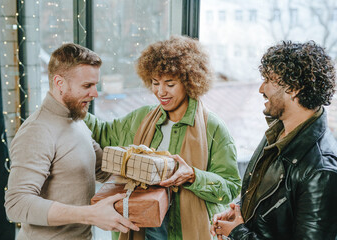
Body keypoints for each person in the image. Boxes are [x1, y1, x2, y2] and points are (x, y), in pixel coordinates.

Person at [84, 35, 241, 240]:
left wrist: (193, 176)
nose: (160, 91)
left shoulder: (214, 128)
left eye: (170, 83)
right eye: (155, 83)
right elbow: (101, 132)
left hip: (185, 231)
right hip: (142, 227)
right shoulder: (142, 118)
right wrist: (70, 101)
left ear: (189, 81)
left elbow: (230, 188)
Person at [4, 43, 139, 240]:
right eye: (87, 86)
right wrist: (90, 215)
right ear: (59, 83)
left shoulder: (76, 119)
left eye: (95, 85)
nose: (95, 93)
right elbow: (17, 204)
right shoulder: (37, 131)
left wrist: (152, 166)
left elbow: (102, 168)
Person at [210, 40, 337, 240]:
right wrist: (240, 211)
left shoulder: (321, 171)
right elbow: (269, 201)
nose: (261, 88)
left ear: (294, 88)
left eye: (269, 79)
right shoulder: (278, 131)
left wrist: (238, 233)